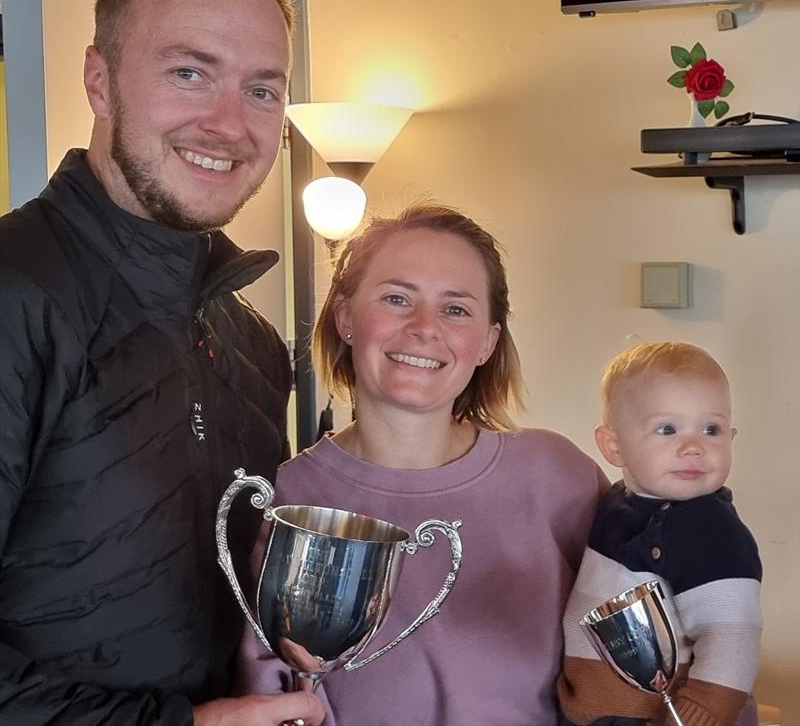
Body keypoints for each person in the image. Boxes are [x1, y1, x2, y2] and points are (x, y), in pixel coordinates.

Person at [0, 0, 324, 726]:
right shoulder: (13, 293)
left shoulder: (251, 342)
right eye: (189, 71)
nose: (229, 124)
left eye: (262, 89)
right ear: (99, 80)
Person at [237, 203, 610, 725]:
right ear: (345, 318)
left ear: (487, 342)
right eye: (397, 298)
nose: (423, 327)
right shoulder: (283, 502)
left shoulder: (558, 478)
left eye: (455, 309)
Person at [557, 342, 762, 726]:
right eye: (667, 429)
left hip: (658, 716)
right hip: (603, 707)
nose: (693, 447)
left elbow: (733, 633)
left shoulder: (706, 527)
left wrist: (702, 713)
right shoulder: (619, 502)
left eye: (711, 429)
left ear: (731, 437)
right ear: (614, 446)